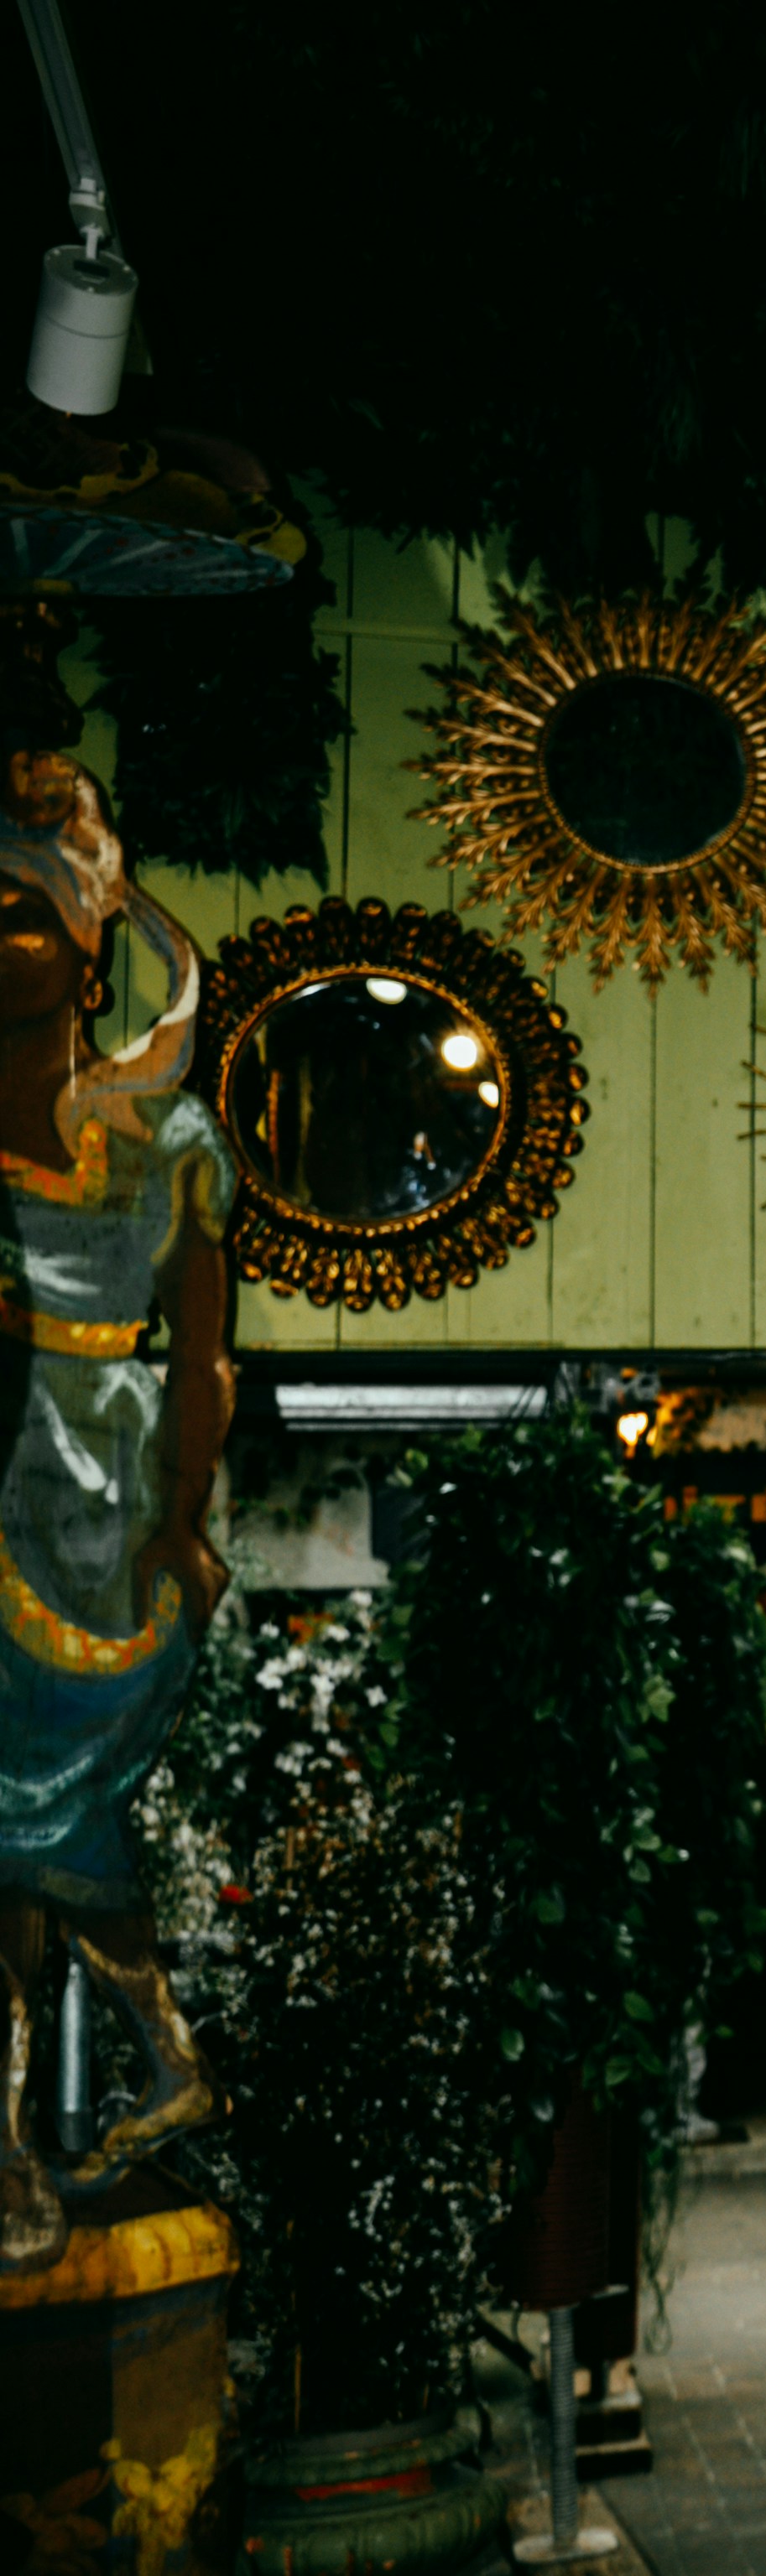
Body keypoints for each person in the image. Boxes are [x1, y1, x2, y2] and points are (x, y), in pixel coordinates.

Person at [0, 751, 232, 2274]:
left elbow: (203, 1357)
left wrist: (182, 1521)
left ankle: (162, 2065)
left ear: (91, 940)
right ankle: (29, 2145)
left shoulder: (160, 1135)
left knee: (54, 1829)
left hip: (92, 1515)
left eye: (24, 904)